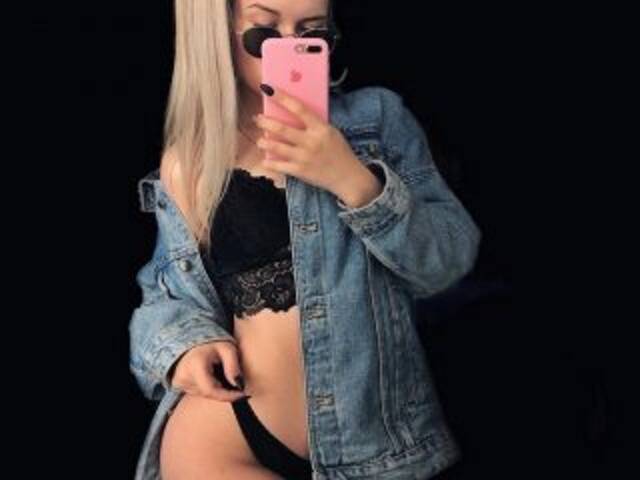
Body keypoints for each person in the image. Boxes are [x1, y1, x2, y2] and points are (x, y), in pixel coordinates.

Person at [129, 1, 482, 479]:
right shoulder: (189, 161)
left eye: (312, 33)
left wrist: (355, 182)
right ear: (218, 32)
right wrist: (185, 348)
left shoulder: (376, 121)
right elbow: (166, 295)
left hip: (377, 449)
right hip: (224, 437)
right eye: (264, 32)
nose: (290, 47)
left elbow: (448, 262)